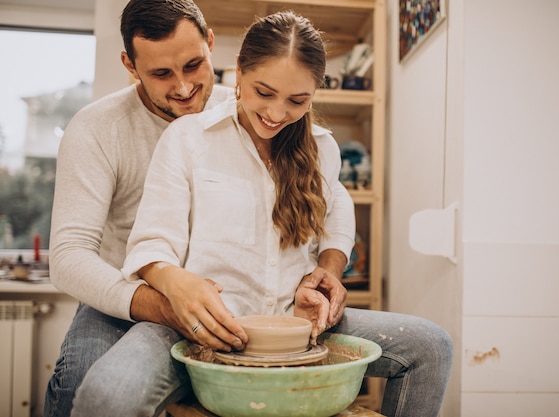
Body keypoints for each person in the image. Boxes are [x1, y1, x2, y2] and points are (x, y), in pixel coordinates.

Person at [119, 10, 453, 417]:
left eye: (298, 100)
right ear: (238, 72)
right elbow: (152, 242)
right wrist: (174, 281)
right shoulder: (187, 139)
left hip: (297, 328)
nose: (277, 114)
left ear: (315, 92)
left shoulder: (321, 147)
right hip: (200, 327)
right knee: (108, 394)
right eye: (264, 92)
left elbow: (337, 209)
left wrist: (328, 271)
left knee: (432, 347)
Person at [44, 1, 355, 416]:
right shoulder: (98, 128)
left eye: (194, 65)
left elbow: (331, 193)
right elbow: (68, 257)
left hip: (218, 300)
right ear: (130, 65)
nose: (184, 87)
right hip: (122, 291)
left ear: (212, 46)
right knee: (83, 385)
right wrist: (163, 301)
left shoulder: (254, 107)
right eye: (161, 73)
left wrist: (328, 267)